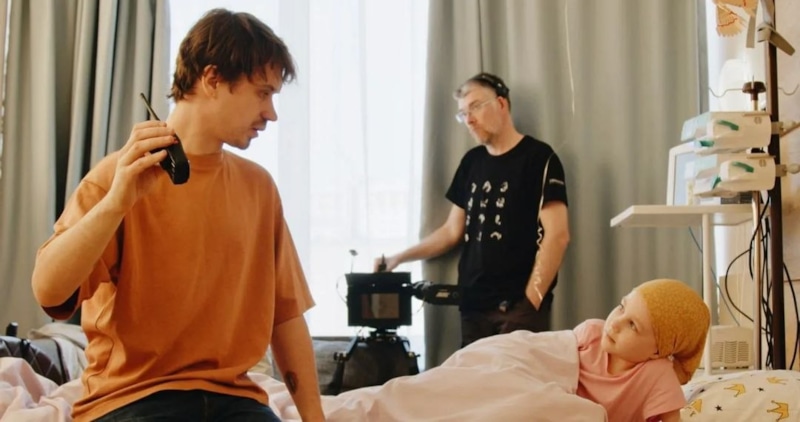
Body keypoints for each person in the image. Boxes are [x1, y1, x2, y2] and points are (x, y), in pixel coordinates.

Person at [30, 9, 324, 422]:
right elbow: (48, 292)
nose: (271, 113)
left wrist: (315, 419)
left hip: (236, 403)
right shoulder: (116, 179)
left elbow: (286, 316)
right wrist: (116, 203)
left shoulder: (259, 188)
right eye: (262, 93)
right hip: (132, 400)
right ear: (212, 79)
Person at [375, 72, 570, 347]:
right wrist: (398, 258)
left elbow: (557, 235)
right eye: (463, 113)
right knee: (471, 376)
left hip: (518, 308)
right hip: (473, 308)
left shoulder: (539, 158)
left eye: (475, 107)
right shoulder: (472, 162)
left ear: (501, 104)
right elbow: (451, 232)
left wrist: (531, 302)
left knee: (517, 376)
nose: (469, 119)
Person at [575, 278, 710, 421]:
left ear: (657, 351)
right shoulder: (589, 335)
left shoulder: (658, 374)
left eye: (632, 325)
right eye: (622, 307)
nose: (615, 323)